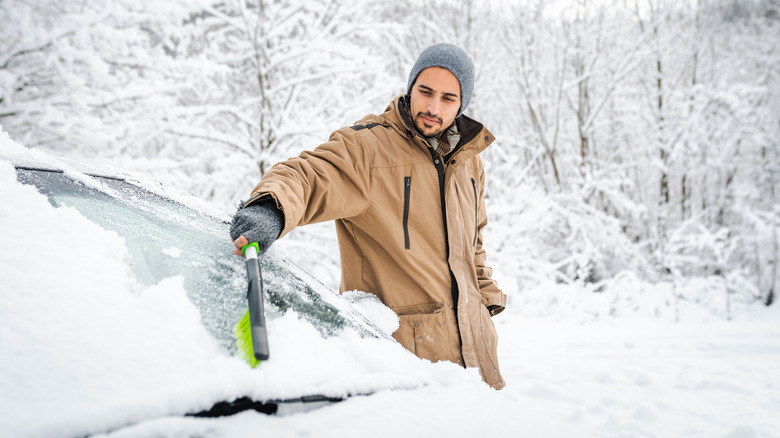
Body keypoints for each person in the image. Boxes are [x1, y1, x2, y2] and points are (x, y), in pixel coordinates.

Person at [230, 43, 507, 390]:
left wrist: (483, 303)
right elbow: (310, 175)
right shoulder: (369, 148)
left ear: (462, 104)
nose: (433, 108)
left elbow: (473, 244)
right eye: (425, 92)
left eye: (448, 99)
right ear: (410, 88)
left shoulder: (469, 161)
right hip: (403, 366)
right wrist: (272, 208)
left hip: (477, 362)